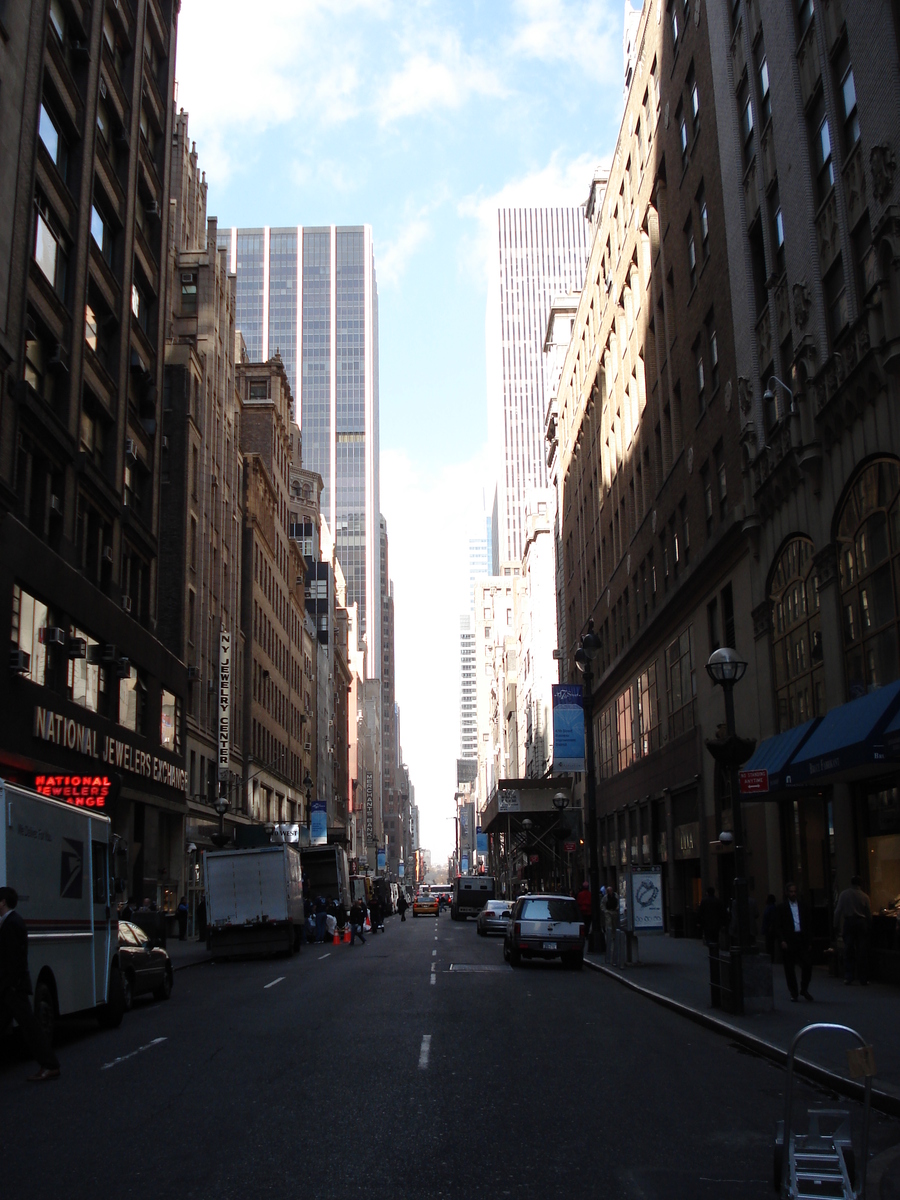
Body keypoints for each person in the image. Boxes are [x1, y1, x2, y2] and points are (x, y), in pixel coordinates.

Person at [0, 886, 60, 1082]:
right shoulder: (14, 922)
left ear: (3, 902)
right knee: (27, 1026)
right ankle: (49, 1064)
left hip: (13, 987)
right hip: (13, 986)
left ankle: (50, 1064)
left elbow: (12, 959)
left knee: (30, 1028)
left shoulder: (10, 924)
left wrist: (10, 984)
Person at [775, 882, 814, 1002]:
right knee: (789, 968)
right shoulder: (781, 908)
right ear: (787, 893)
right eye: (791, 892)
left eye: (794, 892)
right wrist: (782, 940)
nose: (793, 894)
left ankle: (804, 988)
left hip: (801, 939)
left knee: (807, 964)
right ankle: (794, 992)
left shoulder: (803, 906)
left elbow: (808, 923)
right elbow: (778, 926)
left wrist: (809, 940)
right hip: (789, 940)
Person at [834, 876, 872, 985]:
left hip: (849, 922)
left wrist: (835, 925)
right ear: (860, 884)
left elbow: (838, 911)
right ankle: (863, 977)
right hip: (861, 922)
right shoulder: (865, 896)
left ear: (851, 883)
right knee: (862, 950)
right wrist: (869, 924)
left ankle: (849, 976)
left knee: (849, 949)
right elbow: (868, 913)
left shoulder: (844, 894)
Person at [761, 893, 778, 960]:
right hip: (767, 928)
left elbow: (772, 918)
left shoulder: (772, 907)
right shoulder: (768, 907)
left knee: (770, 944)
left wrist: (770, 927)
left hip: (769, 929)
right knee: (768, 944)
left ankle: (771, 958)